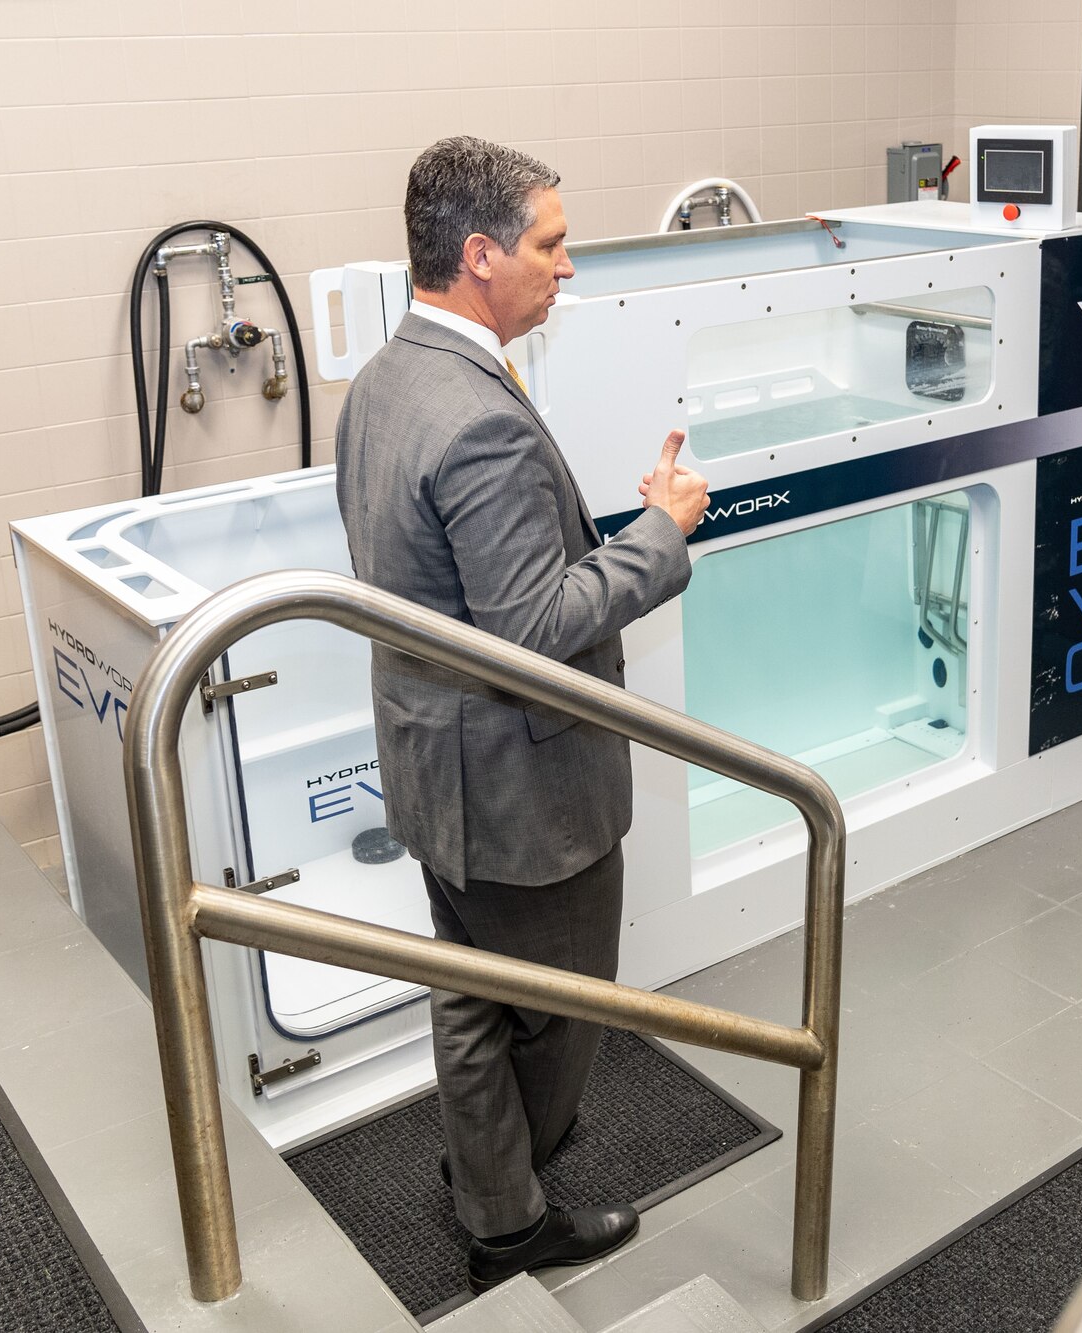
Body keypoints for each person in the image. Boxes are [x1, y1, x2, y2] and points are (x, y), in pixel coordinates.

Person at [334, 136, 709, 1293]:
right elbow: (534, 628)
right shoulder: (480, 415)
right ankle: (513, 1205)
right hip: (518, 788)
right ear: (481, 255)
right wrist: (661, 531)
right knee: (555, 1008)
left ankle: (485, 1177)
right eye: (549, 245)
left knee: (464, 982)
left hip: (432, 762)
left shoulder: (389, 380)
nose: (567, 265)